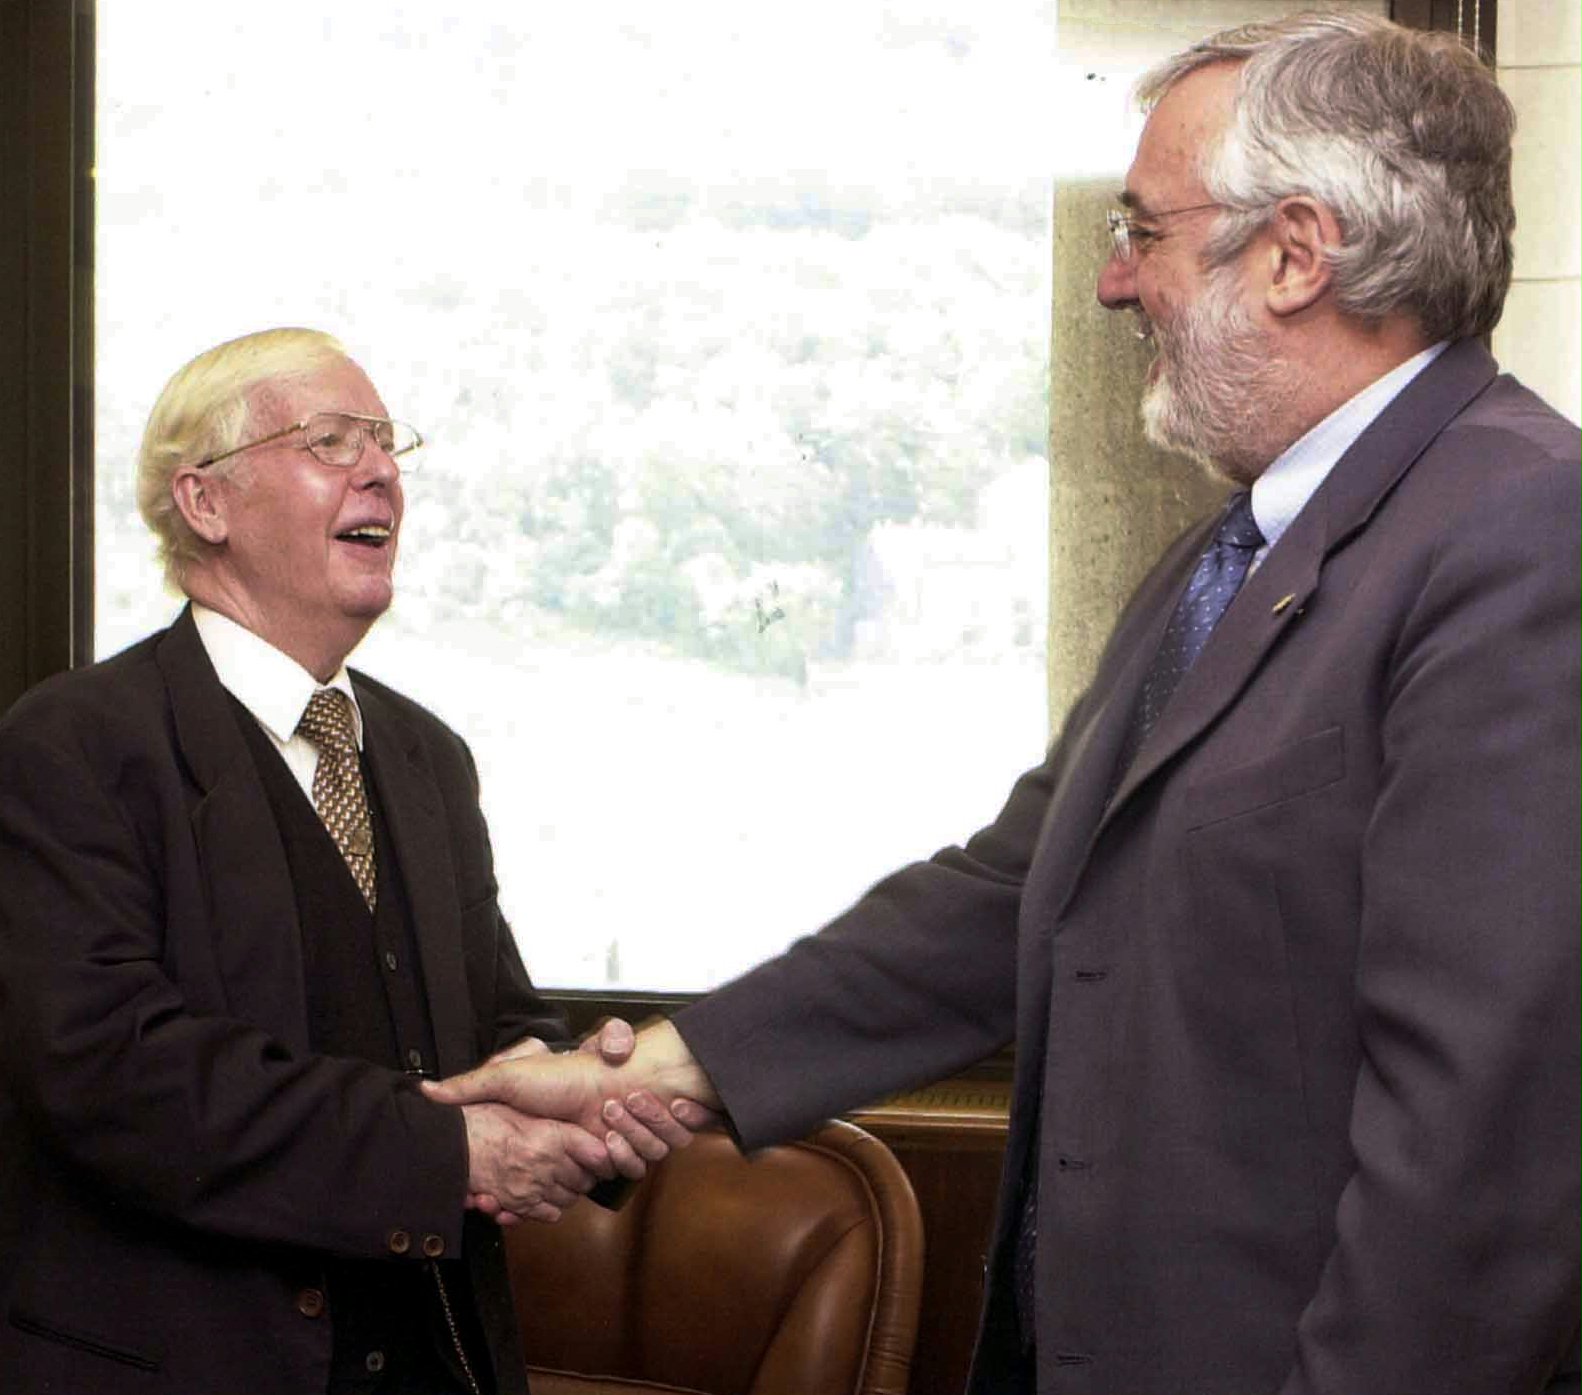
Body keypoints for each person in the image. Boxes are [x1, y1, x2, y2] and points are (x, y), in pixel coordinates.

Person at [428, 14, 1582, 1394]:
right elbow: (1013, 892)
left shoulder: (1523, 529)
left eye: (1142, 228)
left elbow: (1482, 1139)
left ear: (1292, 250)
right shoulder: (1233, 550)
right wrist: (658, 1070)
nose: (1109, 281)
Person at [0, 328, 678, 1395]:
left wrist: (578, 1092)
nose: (381, 472)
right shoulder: (74, 745)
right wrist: (452, 1156)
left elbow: (488, 1019)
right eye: (330, 440)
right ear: (205, 501)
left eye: (387, 443)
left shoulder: (425, 755)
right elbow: (112, 1073)